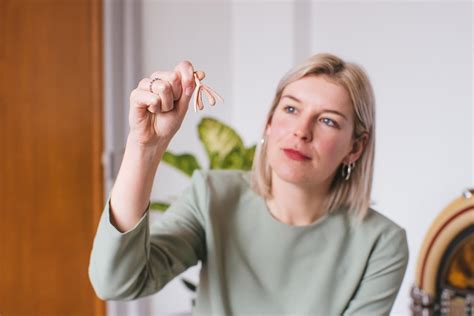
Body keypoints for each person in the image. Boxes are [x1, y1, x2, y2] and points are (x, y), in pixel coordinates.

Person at [89, 53, 409, 315]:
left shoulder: (381, 244)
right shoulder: (213, 196)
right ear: (269, 122)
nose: (301, 131)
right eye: (291, 109)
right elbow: (116, 283)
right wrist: (144, 146)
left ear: (355, 147)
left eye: (327, 120)